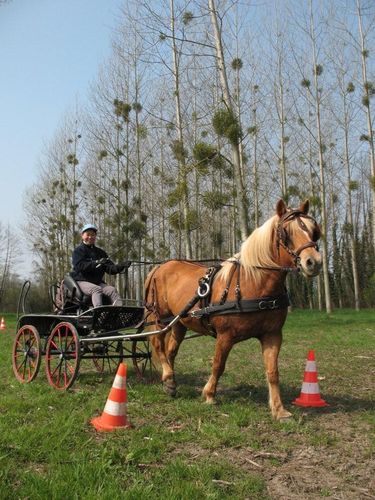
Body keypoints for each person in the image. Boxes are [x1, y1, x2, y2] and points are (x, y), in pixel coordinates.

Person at [71, 223, 131, 307]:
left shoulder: (100, 252)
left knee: (112, 290)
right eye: (88, 234)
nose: (90, 237)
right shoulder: (78, 251)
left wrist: (121, 266)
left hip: (97, 282)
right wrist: (96, 263)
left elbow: (110, 269)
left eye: (93, 235)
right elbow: (79, 266)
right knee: (96, 290)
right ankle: (98, 313)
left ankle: (118, 313)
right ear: (82, 235)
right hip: (81, 281)